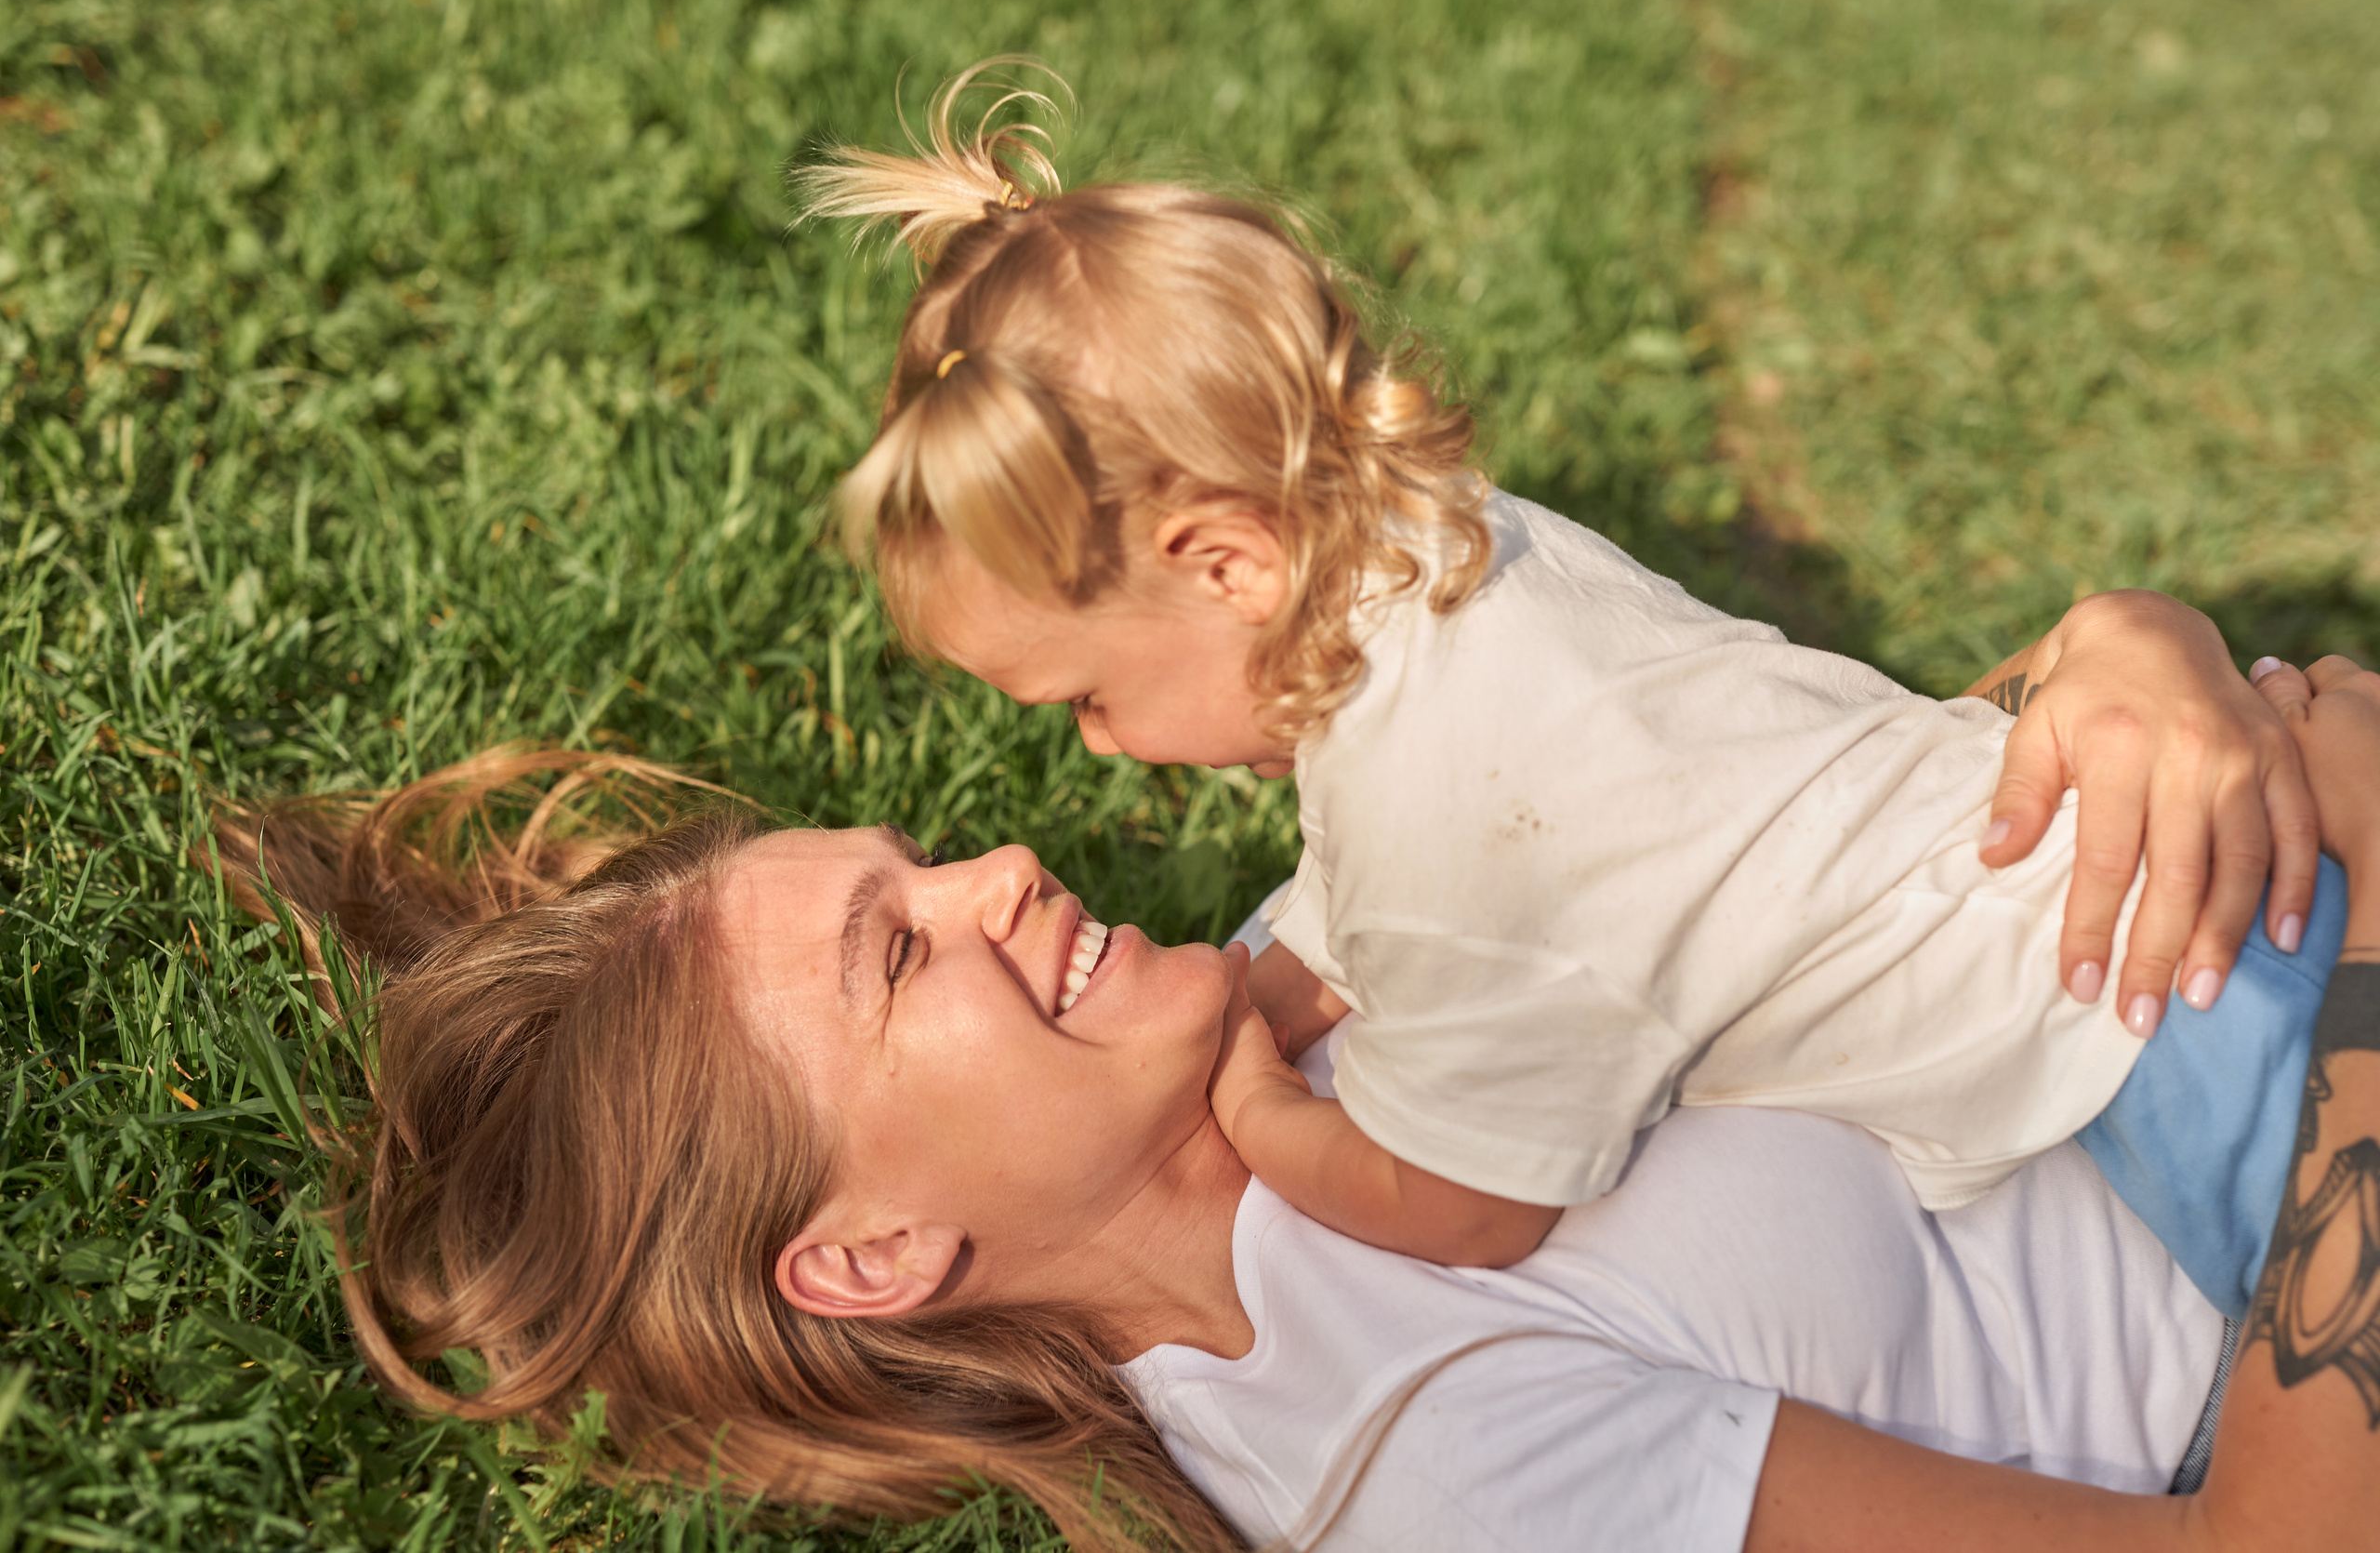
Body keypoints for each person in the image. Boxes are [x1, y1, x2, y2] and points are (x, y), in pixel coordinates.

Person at [206, 658, 2380, 1553]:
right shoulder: (1431, 1457)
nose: (994, 879)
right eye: (896, 954)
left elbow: (1831, 835)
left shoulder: (1331, 959)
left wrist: (2132, 661)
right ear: (870, 1255)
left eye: (909, 865)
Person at [805, 65, 2328, 1316]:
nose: (1103, 747)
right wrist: (1269, 989)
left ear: (1227, 569)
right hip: (2167, 865)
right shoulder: (1444, 544)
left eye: (1085, 696)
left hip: (2157, 1019)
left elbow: (1469, 1210)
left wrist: (1265, 1114)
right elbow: (1368, 872)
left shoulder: (1450, 834)